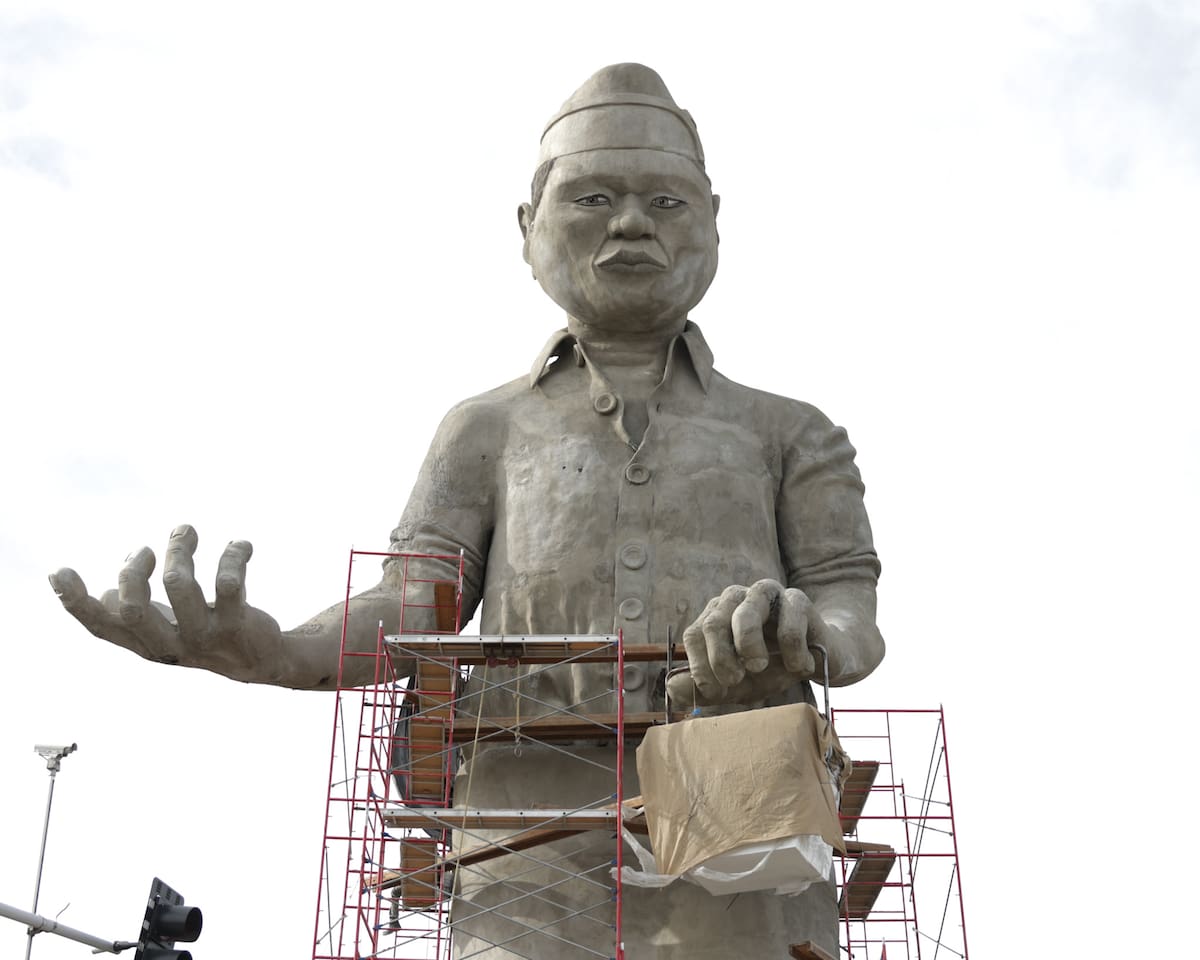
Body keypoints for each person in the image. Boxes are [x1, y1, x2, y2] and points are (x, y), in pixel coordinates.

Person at [50, 64, 884, 959]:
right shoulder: (485, 429)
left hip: (746, 813)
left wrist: (797, 632)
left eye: (666, 201)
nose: (632, 222)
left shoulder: (789, 433)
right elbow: (414, 605)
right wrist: (280, 652)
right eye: (593, 197)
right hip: (525, 837)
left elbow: (852, 617)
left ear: (714, 222)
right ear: (530, 232)